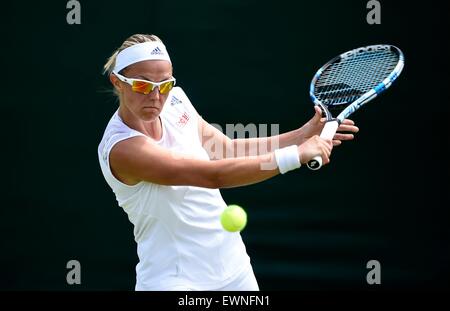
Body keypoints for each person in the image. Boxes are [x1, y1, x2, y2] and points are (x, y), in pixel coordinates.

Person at [97, 34, 359, 291]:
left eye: (164, 84)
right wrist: (295, 155)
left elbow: (224, 150)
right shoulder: (124, 149)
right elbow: (213, 176)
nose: (156, 96)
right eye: (142, 85)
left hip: (234, 268)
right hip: (174, 281)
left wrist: (301, 136)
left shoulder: (176, 101)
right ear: (117, 82)